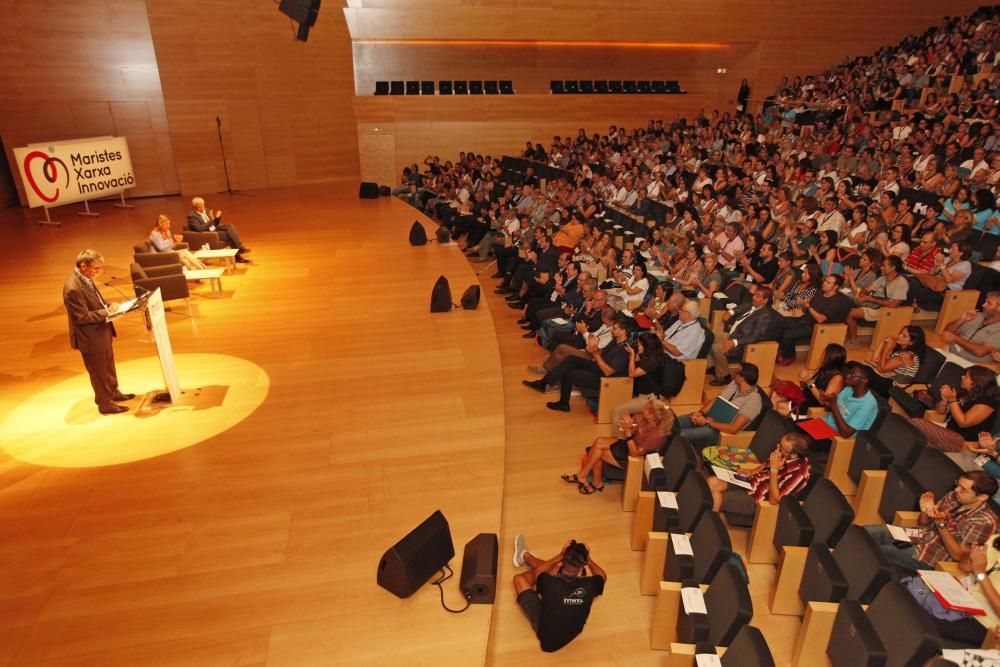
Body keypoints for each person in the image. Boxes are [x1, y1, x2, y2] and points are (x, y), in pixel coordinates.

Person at [864, 471, 998, 571]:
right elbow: (924, 524)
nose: (956, 490)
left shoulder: (984, 521)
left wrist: (941, 524)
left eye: (963, 489)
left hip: (932, 556)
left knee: (875, 552)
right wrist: (925, 511)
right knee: (867, 532)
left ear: (982, 497)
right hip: (917, 535)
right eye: (958, 484)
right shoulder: (953, 496)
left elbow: (958, 555)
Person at [63, 250, 135, 415]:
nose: (98, 272)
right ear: (83, 266)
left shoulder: (85, 277)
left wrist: (108, 304)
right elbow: (81, 317)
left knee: (108, 366)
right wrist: (107, 312)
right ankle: (105, 404)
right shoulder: (72, 288)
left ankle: (113, 392)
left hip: (100, 331)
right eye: (96, 268)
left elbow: (94, 301)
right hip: (90, 337)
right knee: (98, 372)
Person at [511, 537, 607, 653]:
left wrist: (559, 557)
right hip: (574, 631)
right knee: (547, 571)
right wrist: (589, 560)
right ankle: (524, 556)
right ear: (582, 567)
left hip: (547, 638)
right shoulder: (590, 585)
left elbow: (539, 573)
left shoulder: (550, 583)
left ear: (563, 560)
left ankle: (524, 556)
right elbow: (602, 576)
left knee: (519, 579)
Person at [562, 399, 673, 494]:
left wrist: (628, 431)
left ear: (653, 415)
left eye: (646, 408)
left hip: (633, 458)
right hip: (628, 445)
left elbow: (635, 453)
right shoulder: (647, 421)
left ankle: (590, 480)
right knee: (599, 442)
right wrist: (629, 424)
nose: (643, 408)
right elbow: (636, 431)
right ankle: (591, 480)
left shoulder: (656, 436)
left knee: (596, 451)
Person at [522, 320, 630, 413]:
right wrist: (594, 347)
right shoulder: (615, 342)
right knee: (571, 359)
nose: (612, 330)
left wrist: (595, 353)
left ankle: (563, 403)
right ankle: (543, 383)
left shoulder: (623, 351)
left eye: (615, 329)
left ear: (623, 331)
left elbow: (608, 372)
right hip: (598, 368)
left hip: (605, 379)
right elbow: (602, 355)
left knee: (569, 373)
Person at [705, 432, 811, 514]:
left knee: (716, 496)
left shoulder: (799, 474)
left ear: (793, 455)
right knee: (712, 481)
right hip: (750, 481)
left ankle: (708, 525)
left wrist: (774, 471)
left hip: (758, 499)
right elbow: (765, 465)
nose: (777, 447)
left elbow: (775, 500)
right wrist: (752, 471)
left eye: (781, 448)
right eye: (779, 443)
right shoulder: (782, 454)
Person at [910, 366, 999, 453]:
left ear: (975, 382)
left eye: (966, 376)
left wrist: (952, 400)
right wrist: (945, 400)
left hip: (962, 441)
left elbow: (963, 422)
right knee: (912, 425)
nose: (962, 377)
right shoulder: (966, 393)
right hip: (949, 429)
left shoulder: (988, 402)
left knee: (917, 423)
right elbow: (941, 411)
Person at [676, 363, 763, 447]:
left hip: (720, 432)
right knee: (674, 422)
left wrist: (706, 423)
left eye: (736, 372)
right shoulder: (734, 384)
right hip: (710, 419)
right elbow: (717, 399)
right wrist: (701, 413)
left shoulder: (754, 401)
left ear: (742, 378)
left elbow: (733, 429)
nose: (733, 373)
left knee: (679, 434)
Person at [708, 286, 780, 386]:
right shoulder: (753, 305)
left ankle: (724, 376)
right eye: (754, 294)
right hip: (733, 335)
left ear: (765, 300)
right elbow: (741, 307)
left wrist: (734, 342)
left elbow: (755, 337)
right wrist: (730, 312)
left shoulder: (766, 315)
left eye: (757, 296)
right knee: (708, 336)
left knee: (716, 348)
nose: (753, 297)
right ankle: (714, 366)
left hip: (742, 344)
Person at [776, 273, 853, 364]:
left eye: (828, 283)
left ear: (836, 286)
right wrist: (803, 304)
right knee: (779, 322)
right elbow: (806, 310)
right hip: (805, 319)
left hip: (816, 327)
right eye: (825, 281)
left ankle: (790, 356)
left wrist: (808, 306)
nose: (824, 283)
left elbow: (820, 319)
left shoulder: (836, 301)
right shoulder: (819, 293)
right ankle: (783, 349)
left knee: (788, 334)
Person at [846, 255, 909, 346]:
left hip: (883, 310)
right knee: (844, 303)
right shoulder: (882, 278)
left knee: (849, 313)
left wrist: (870, 298)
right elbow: (866, 289)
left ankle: (854, 341)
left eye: (884, 266)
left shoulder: (901, 282)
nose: (881, 267)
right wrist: (865, 294)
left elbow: (893, 304)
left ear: (892, 268)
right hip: (872, 303)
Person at [866, 325, 925, 397]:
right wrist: (883, 342)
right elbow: (875, 360)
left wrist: (887, 348)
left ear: (912, 342)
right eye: (900, 333)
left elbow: (882, 368)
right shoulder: (900, 351)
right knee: (859, 368)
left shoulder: (908, 355)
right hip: (888, 381)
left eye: (904, 336)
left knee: (862, 372)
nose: (899, 336)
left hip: (893, 388)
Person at [186, 196, 250, 262]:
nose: (202, 208)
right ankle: (238, 254)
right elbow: (200, 229)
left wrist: (217, 218)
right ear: (194, 207)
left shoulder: (206, 210)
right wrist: (211, 221)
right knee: (229, 235)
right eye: (200, 207)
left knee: (229, 226)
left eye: (203, 206)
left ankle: (239, 247)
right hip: (207, 234)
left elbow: (214, 224)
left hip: (212, 228)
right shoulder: (192, 216)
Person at [942, 292, 1000, 363]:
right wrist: (961, 320)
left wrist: (956, 338)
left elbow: (980, 352)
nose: (983, 305)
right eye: (985, 302)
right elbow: (947, 331)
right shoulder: (977, 315)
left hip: (972, 364)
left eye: (989, 303)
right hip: (951, 353)